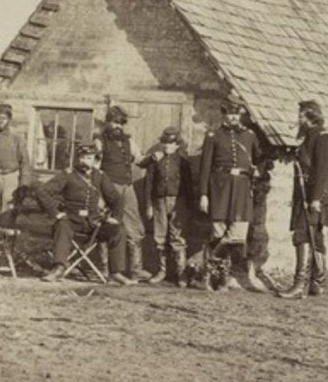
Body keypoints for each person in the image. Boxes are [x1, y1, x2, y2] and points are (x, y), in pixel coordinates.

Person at [35, 144, 134, 285]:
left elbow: (116, 199)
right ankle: (58, 268)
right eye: (82, 157)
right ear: (77, 158)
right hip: (71, 220)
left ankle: (115, 273)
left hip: (94, 223)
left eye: (89, 158)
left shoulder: (100, 176)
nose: (85, 161)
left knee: (118, 230)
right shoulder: (67, 175)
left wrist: (116, 218)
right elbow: (42, 192)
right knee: (62, 226)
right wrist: (56, 213)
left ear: (94, 160)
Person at [197, 94, 262, 291]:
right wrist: (203, 194)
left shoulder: (250, 136)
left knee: (237, 235)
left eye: (236, 113)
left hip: (242, 189)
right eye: (229, 113)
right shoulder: (213, 136)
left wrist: (258, 170)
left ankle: (212, 272)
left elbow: (261, 158)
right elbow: (205, 167)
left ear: (241, 115)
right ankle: (216, 278)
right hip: (220, 188)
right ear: (224, 114)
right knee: (218, 231)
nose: (233, 117)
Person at [278, 100, 328, 299]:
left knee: (304, 235)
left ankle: (300, 285)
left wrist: (315, 199)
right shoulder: (308, 139)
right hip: (304, 195)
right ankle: (316, 284)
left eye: (301, 116)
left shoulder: (324, 138)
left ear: (310, 117)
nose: (299, 119)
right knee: (313, 236)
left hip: (314, 197)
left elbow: (324, 171)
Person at [93, 105, 151, 281]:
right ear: (107, 123)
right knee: (106, 226)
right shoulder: (99, 141)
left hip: (127, 187)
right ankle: (105, 270)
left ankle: (135, 269)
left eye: (120, 123)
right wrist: (98, 194)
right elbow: (94, 169)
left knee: (135, 227)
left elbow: (139, 159)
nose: (117, 126)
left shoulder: (129, 141)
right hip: (108, 188)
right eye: (114, 122)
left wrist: (154, 158)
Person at [142, 126, 193, 286]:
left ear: (177, 145)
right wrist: (149, 205)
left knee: (177, 237)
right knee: (160, 237)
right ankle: (162, 271)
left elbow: (188, 185)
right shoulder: (155, 160)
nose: (167, 146)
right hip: (159, 202)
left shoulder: (183, 162)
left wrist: (188, 207)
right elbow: (149, 184)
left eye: (170, 143)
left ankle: (181, 274)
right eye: (164, 143)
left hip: (178, 202)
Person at [245, 154, 279, 292]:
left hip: (258, 200)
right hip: (245, 192)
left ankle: (255, 269)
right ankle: (248, 271)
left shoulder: (264, 177)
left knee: (258, 235)